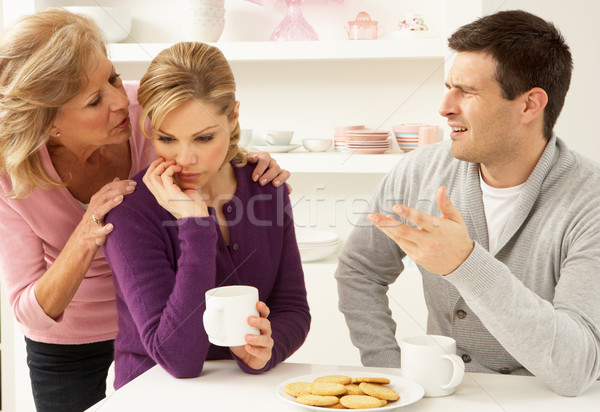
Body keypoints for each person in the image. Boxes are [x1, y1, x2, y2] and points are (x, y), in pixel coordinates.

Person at [0, 8, 289, 412]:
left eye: (113, 76)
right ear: (49, 123)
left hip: (154, 322)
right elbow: (30, 313)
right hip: (71, 339)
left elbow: (206, 133)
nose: (122, 99)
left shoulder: (143, 109)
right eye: (95, 99)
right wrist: (86, 234)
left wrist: (247, 165)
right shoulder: (11, 175)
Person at [335, 9, 600, 397]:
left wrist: (465, 263)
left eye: (468, 92)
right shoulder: (418, 171)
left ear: (529, 105)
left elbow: (577, 368)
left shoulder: (589, 202)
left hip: (543, 398)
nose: (445, 107)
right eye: (449, 87)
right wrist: (388, 371)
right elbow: (360, 269)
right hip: (441, 394)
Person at [103, 41, 310, 389]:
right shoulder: (131, 212)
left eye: (203, 138)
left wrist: (265, 348)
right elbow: (177, 359)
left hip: (245, 393)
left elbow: (292, 308)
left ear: (233, 118)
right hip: (154, 394)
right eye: (167, 138)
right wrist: (195, 226)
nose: (184, 159)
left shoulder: (265, 185)